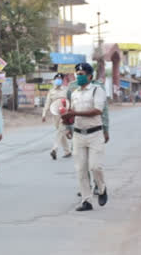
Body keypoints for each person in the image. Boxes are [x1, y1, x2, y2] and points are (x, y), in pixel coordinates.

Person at [67, 63, 108, 212]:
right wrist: (66, 119)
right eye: (77, 73)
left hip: (95, 134)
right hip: (78, 134)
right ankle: (86, 201)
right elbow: (71, 112)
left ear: (90, 76)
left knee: (95, 167)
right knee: (81, 169)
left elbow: (97, 111)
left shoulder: (97, 90)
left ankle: (102, 188)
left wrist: (74, 114)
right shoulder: (74, 93)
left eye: (82, 73)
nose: (79, 76)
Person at [42, 72, 72, 160]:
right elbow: (47, 103)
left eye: (60, 79)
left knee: (60, 131)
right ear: (54, 80)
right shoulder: (51, 91)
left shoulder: (66, 90)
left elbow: (70, 101)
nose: (58, 80)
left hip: (64, 114)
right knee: (61, 132)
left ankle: (54, 149)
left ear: (62, 80)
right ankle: (67, 151)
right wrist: (44, 114)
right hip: (55, 115)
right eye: (57, 79)